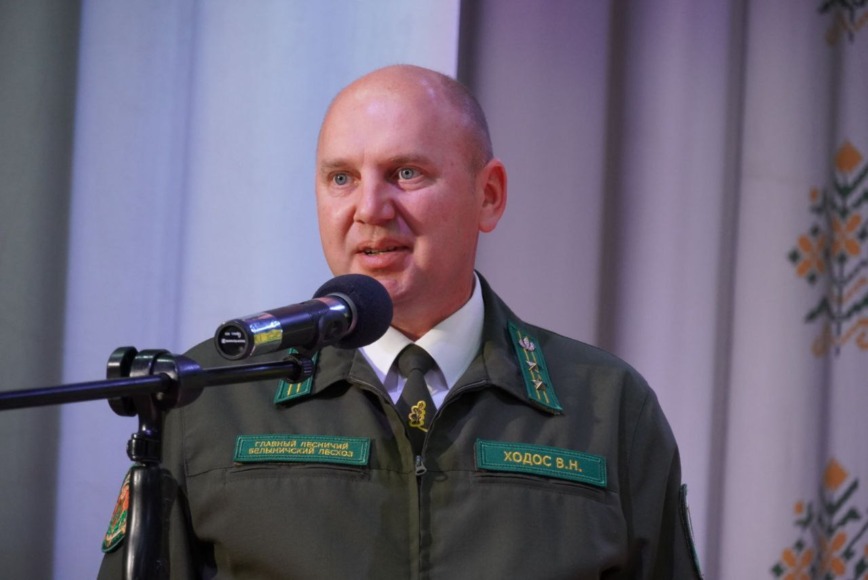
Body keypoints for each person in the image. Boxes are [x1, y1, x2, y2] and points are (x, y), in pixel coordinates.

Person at [99, 64, 702, 579]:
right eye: (341, 178)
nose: (369, 209)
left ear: (489, 195)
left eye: (406, 173)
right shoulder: (209, 393)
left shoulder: (607, 406)